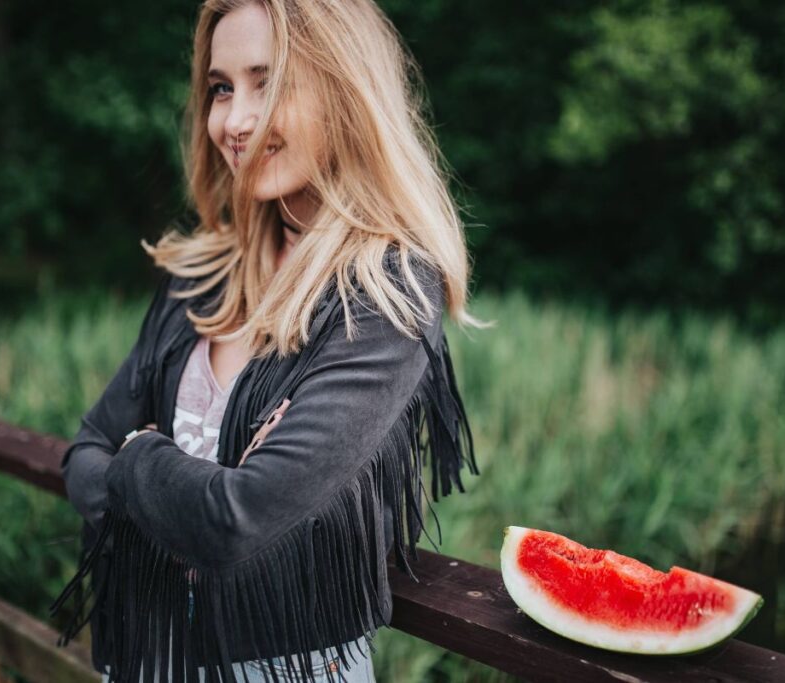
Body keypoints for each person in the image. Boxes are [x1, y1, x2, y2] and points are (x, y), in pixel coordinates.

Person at [51, 0, 485, 681]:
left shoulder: (386, 293)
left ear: (345, 91)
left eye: (269, 82)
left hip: (282, 666)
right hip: (145, 655)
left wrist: (138, 456)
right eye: (221, 88)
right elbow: (82, 452)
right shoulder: (203, 276)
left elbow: (238, 517)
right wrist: (185, 481)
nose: (233, 120)